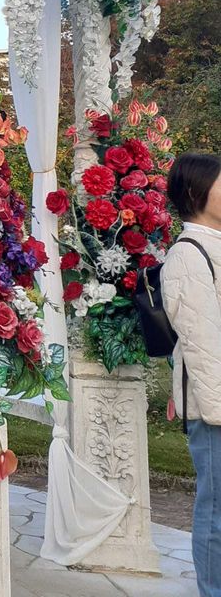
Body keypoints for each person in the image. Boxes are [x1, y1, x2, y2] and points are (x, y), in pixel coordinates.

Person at [163, 151, 221, 597]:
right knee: (216, 512)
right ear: (195, 192)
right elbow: (203, 346)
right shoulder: (188, 255)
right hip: (214, 408)